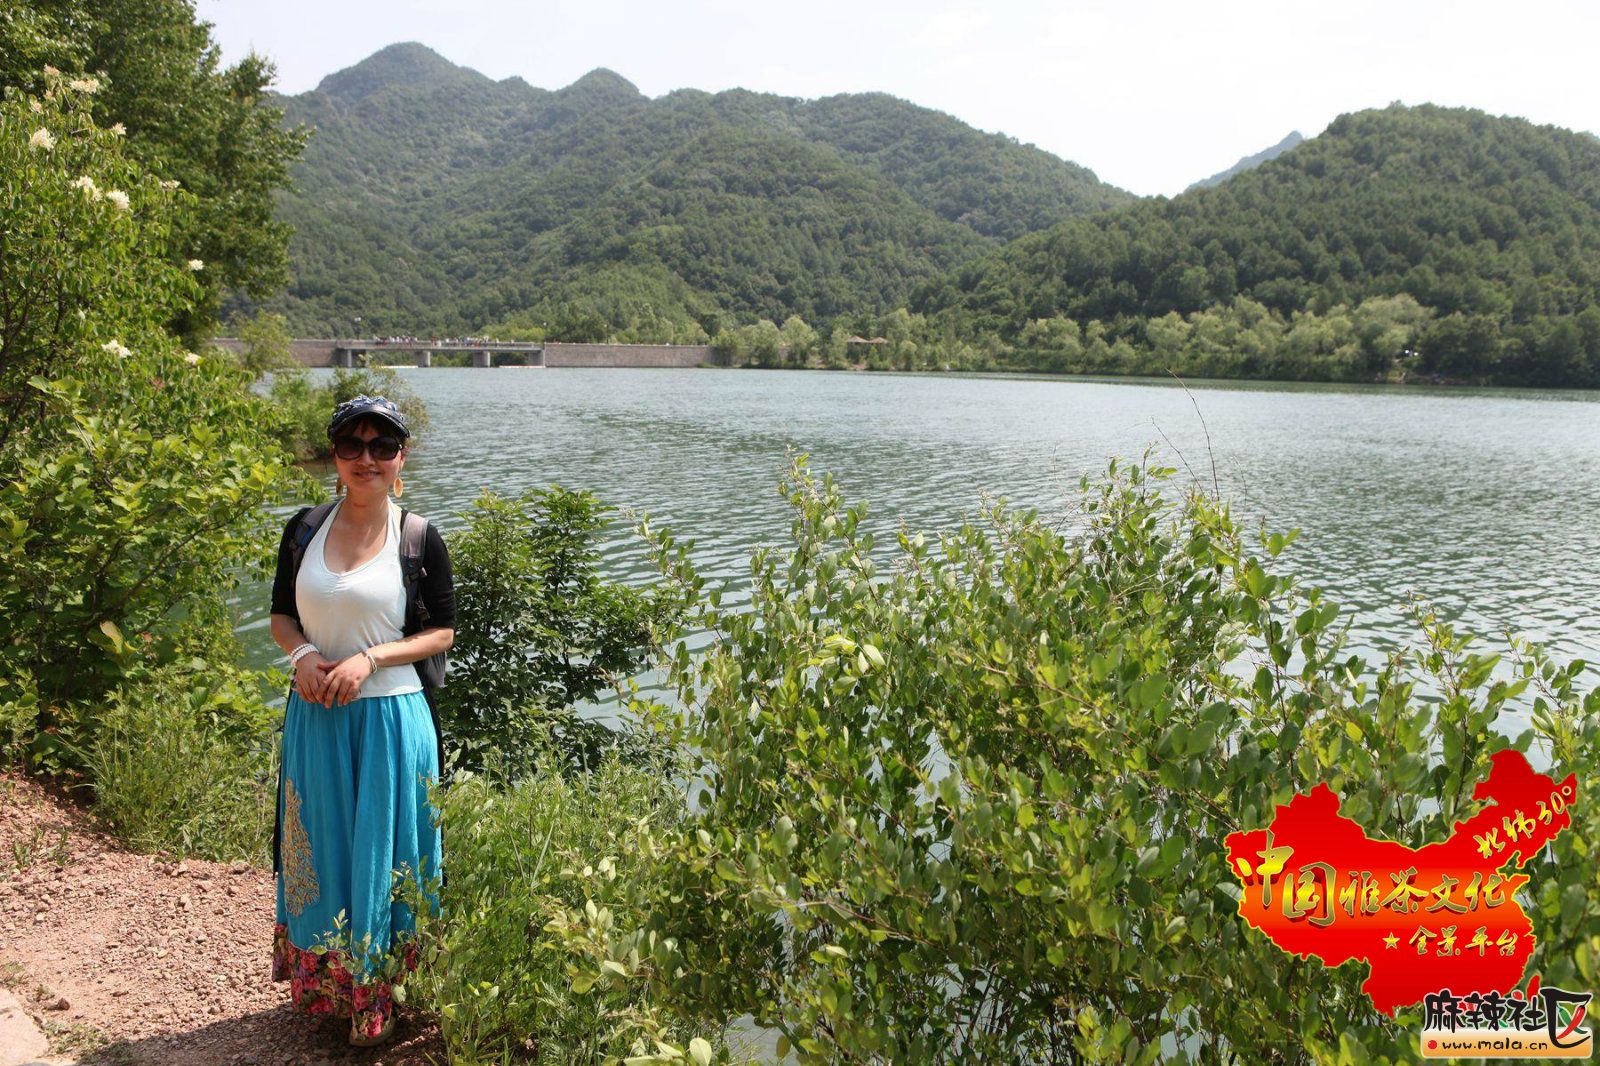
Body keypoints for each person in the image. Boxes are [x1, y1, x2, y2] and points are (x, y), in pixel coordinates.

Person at [267, 395, 455, 1047]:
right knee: (320, 847)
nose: (366, 458)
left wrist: (369, 658)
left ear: (402, 457)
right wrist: (303, 656)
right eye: (352, 445)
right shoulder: (303, 529)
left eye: (382, 447)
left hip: (391, 721)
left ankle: (381, 998)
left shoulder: (418, 536)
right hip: (316, 716)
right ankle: (327, 989)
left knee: (385, 852)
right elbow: (281, 616)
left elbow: (441, 633)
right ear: (335, 455)